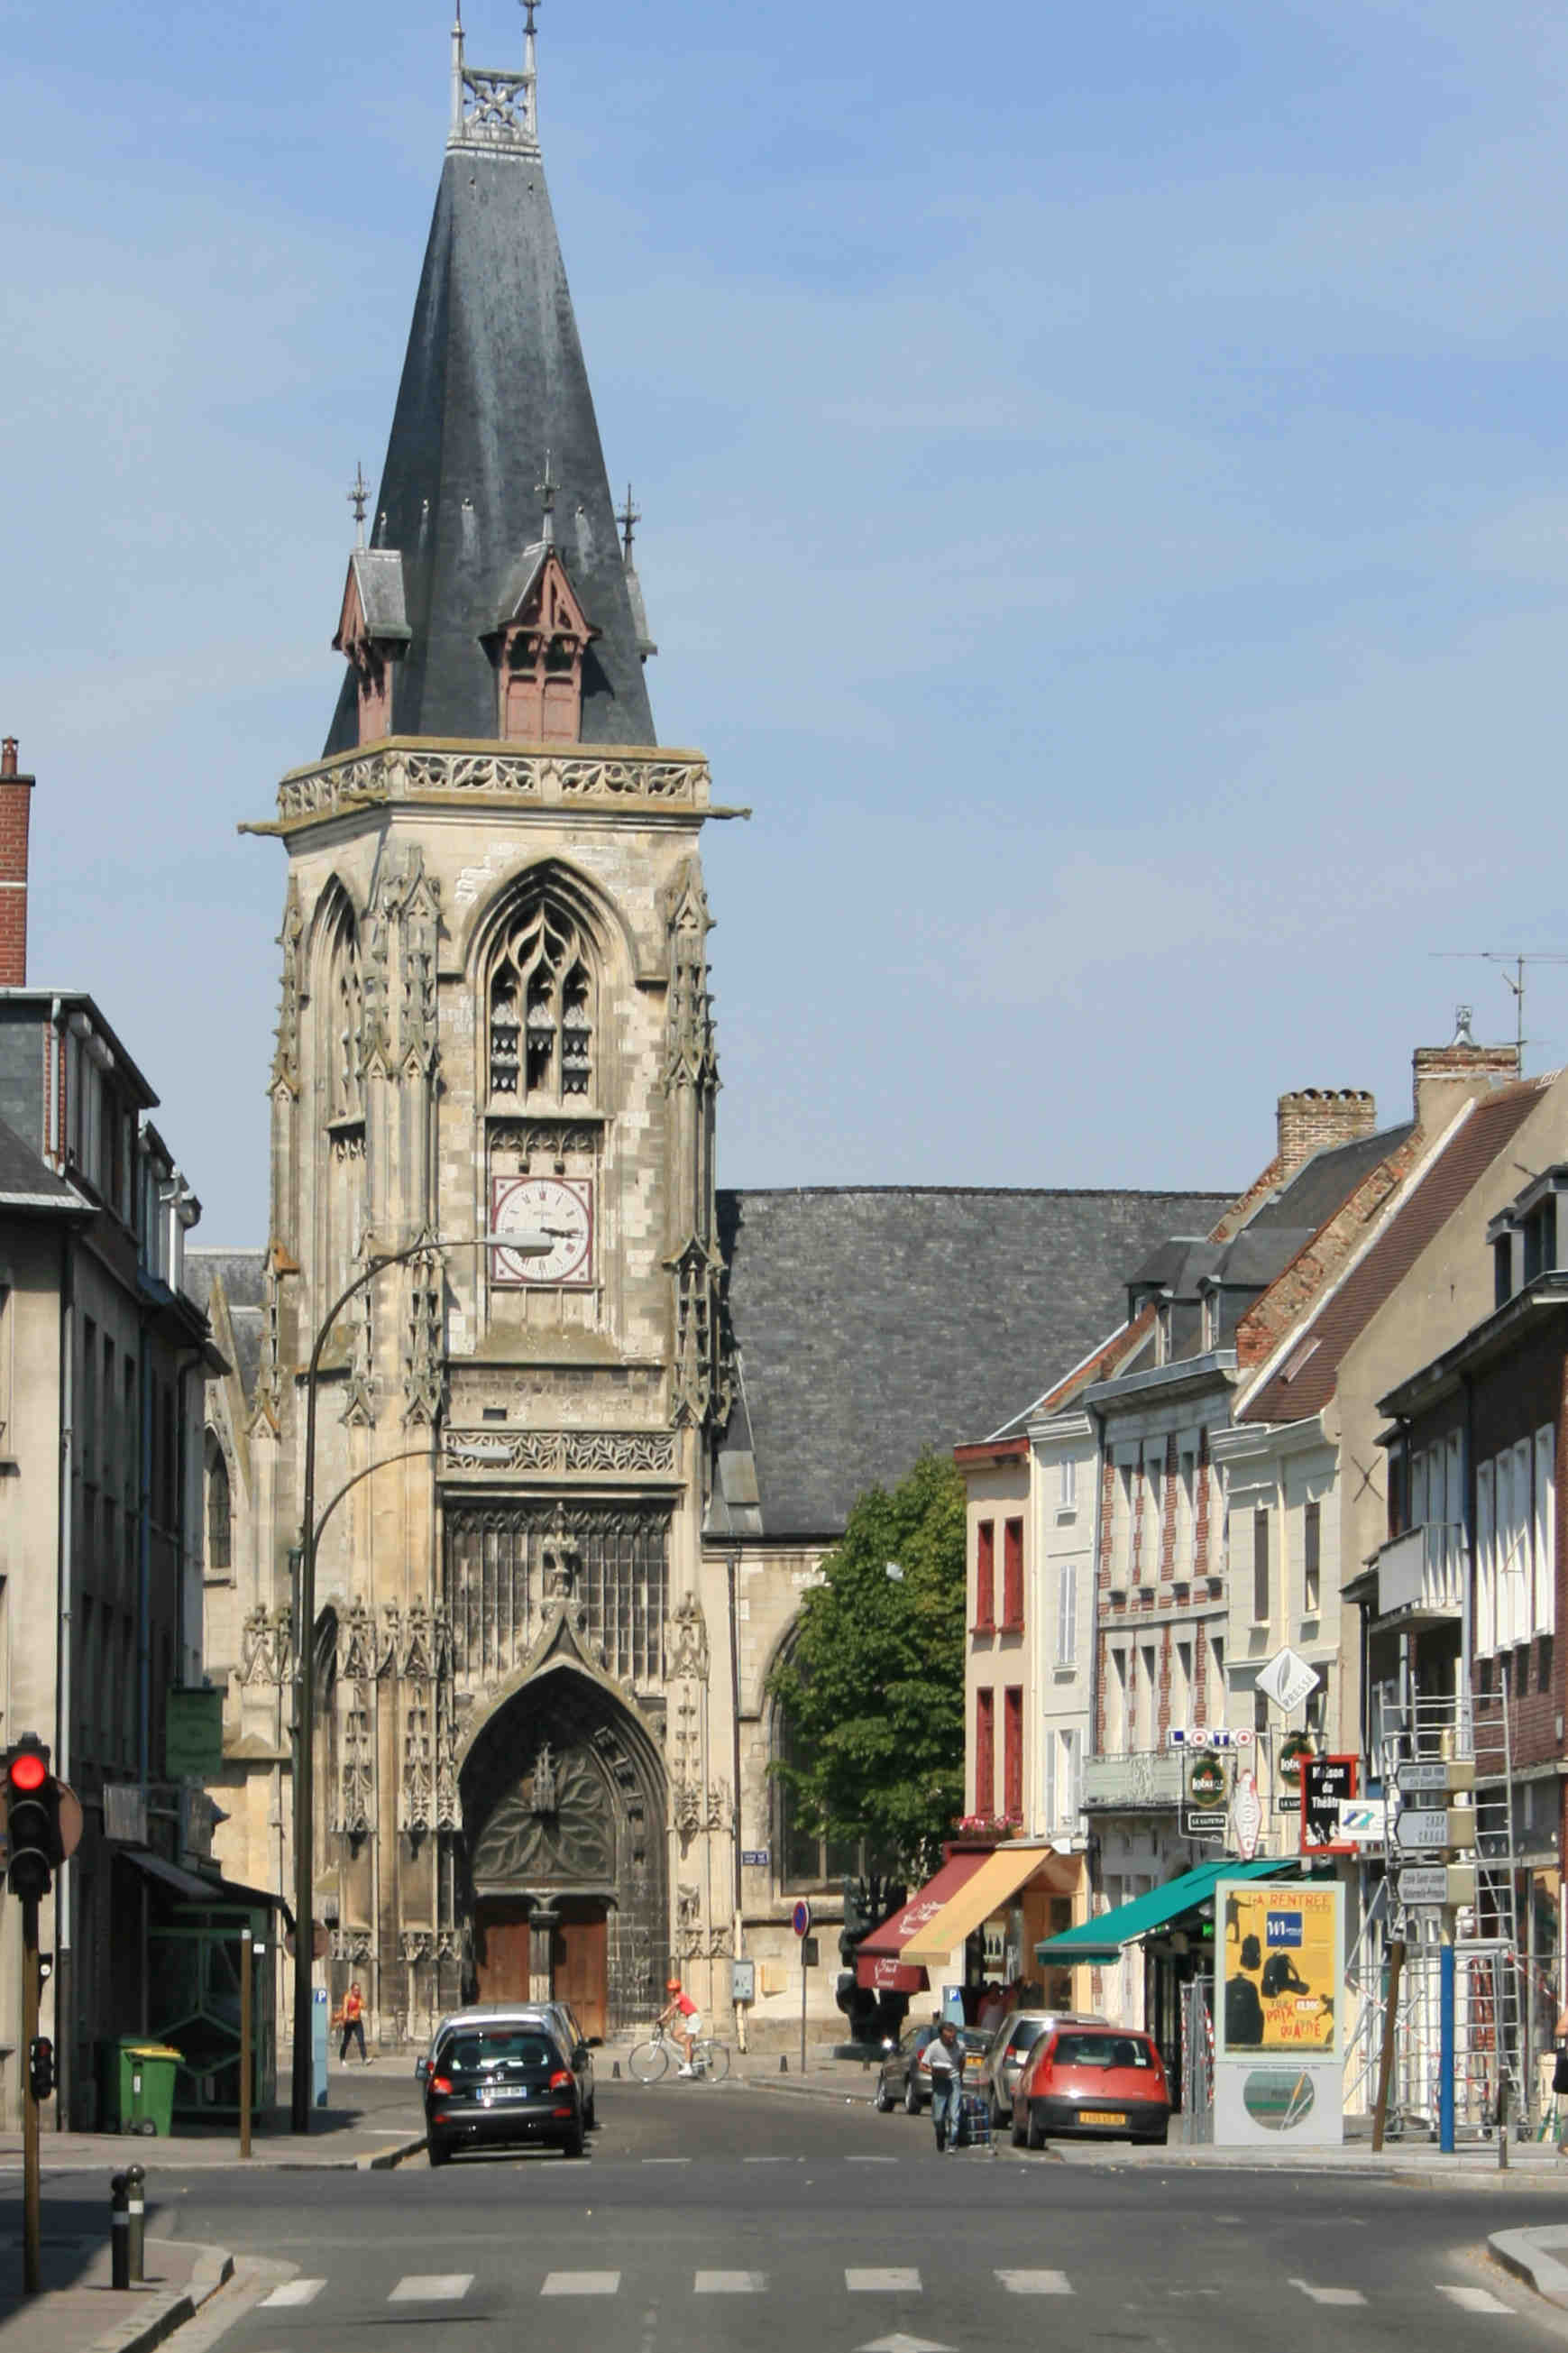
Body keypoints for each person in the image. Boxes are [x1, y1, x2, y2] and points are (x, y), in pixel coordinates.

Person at [927, 2018, 964, 2154]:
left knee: (954, 2114)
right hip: (939, 2081)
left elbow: (962, 2061)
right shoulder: (933, 2047)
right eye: (949, 2038)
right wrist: (935, 2071)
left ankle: (953, 2143)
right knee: (938, 2117)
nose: (951, 2041)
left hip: (954, 2080)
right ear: (942, 2035)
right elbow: (922, 2065)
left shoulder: (960, 2046)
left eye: (953, 2037)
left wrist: (959, 2076)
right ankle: (940, 2135)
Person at [657, 1976, 702, 2074]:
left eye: (670, 1990)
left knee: (687, 2043)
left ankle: (688, 2069)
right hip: (690, 2020)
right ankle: (690, 2050)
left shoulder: (680, 1997)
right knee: (675, 2034)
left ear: (674, 1991)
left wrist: (661, 2018)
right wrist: (665, 2022)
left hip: (693, 2019)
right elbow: (673, 2012)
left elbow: (671, 2008)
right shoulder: (677, 1998)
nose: (669, 1992)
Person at [336, 1981, 368, 2065]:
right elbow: (345, 2008)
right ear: (352, 1990)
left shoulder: (359, 1997)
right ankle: (342, 2058)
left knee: (361, 2040)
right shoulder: (347, 1997)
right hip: (349, 2022)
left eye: (358, 1990)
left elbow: (363, 2005)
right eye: (356, 1990)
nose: (357, 1992)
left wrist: (363, 2006)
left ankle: (364, 2059)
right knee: (346, 2040)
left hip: (357, 2021)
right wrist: (346, 2017)